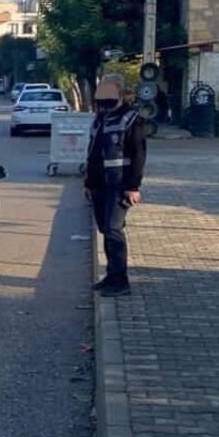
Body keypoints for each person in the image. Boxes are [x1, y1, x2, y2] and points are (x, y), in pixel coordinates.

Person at [85, 73, 146, 297]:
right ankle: (111, 276)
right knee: (105, 230)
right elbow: (92, 153)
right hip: (99, 184)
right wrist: (88, 183)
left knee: (113, 229)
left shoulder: (131, 119)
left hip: (119, 184)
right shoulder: (101, 119)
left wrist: (133, 187)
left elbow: (139, 154)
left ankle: (121, 281)